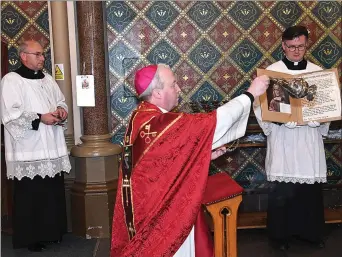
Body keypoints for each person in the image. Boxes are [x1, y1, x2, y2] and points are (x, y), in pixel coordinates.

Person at [110, 63, 269, 257]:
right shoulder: (161, 123)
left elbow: (164, 163)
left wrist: (204, 155)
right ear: (158, 93)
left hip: (146, 202)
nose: (179, 89)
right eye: (173, 84)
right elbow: (215, 122)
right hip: (162, 211)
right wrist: (250, 94)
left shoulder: (141, 117)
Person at [253, 26, 329, 251]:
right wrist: (277, 120)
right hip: (283, 138)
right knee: (282, 191)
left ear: (307, 45)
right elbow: (259, 105)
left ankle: (311, 234)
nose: (297, 51)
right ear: (283, 46)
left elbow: (326, 103)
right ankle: (280, 237)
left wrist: (320, 119)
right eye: (292, 47)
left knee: (309, 192)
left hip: (308, 138)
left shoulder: (318, 72)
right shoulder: (271, 73)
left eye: (301, 46)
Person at [0, 40, 71, 252]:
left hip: (51, 146)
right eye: (38, 54)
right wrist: (40, 118)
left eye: (43, 54)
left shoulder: (48, 79)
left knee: (51, 191)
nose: (42, 58)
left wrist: (61, 111)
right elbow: (9, 114)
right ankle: (30, 238)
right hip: (29, 149)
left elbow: (61, 100)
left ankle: (52, 232)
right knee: (31, 195)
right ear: (23, 56)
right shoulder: (12, 80)